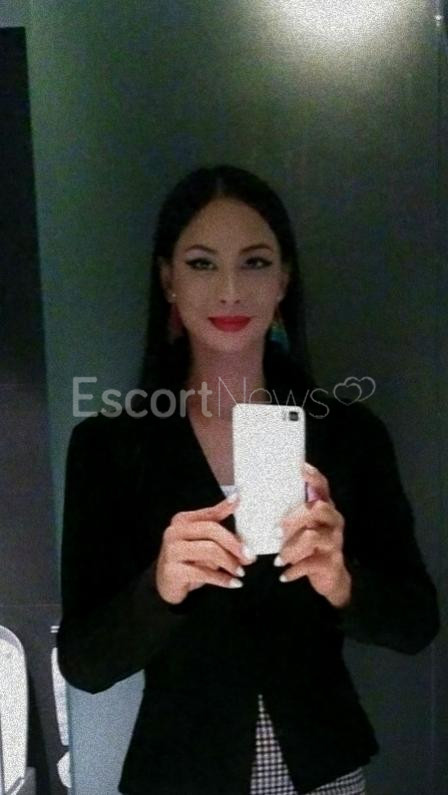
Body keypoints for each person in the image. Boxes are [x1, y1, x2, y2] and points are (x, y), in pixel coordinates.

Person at [57, 164, 440, 795]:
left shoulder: (347, 436)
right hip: (181, 774)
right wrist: (159, 587)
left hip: (324, 767)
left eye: (255, 262)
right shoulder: (111, 448)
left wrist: (343, 582)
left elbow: (417, 623)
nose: (231, 290)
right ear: (168, 280)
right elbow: (84, 664)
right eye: (202, 264)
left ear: (284, 279)